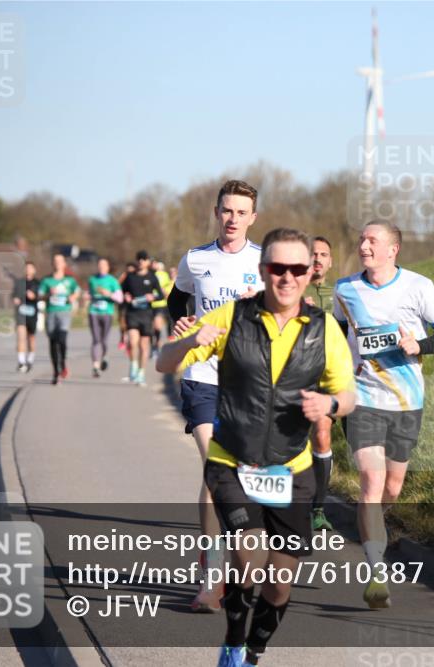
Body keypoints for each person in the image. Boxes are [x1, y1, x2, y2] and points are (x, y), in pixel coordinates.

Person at [157, 228, 356, 667]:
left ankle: (253, 652)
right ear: (263, 270)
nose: (287, 277)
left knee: (280, 582)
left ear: (309, 273)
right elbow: (164, 362)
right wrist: (189, 339)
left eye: (296, 269)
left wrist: (332, 403)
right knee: (248, 561)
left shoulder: (323, 330)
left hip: (291, 467)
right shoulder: (232, 317)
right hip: (232, 460)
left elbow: (349, 395)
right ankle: (231, 643)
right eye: (277, 268)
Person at [333, 221, 434, 609]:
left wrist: (416, 344)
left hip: (406, 401)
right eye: (362, 239)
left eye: (373, 240)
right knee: (371, 482)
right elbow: (335, 337)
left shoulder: (418, 287)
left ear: (393, 249)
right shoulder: (344, 289)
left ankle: (374, 528)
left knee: (392, 489)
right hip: (363, 398)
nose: (364, 245)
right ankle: (375, 571)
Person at [167, 179, 262, 612]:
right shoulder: (196, 258)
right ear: (217, 211)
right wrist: (183, 326)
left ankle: (237, 565)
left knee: (238, 474)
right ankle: (210, 579)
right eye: (227, 210)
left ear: (253, 218)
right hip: (202, 374)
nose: (233, 219)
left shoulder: (265, 264)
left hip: (247, 382)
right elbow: (176, 301)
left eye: (242, 213)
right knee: (213, 466)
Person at [303, 236, 336, 531]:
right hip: (293, 376)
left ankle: (318, 509)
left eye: (323, 254)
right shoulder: (290, 289)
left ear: (330, 261)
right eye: (313, 253)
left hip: (327, 378)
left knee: (322, 435)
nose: (317, 258)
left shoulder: (342, 295)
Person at [120, 250, 163, 387]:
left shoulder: (152, 277)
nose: (141, 262)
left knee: (144, 346)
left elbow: (161, 295)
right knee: (133, 342)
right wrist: (126, 296)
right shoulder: (130, 277)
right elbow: (121, 291)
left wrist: (153, 297)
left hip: (146, 314)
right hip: (132, 313)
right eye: (139, 259)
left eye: (143, 259)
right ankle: (133, 365)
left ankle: (141, 373)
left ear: (147, 262)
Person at [38, 253, 81, 385]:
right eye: (55, 261)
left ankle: (62, 362)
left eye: (60, 261)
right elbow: (39, 296)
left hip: (64, 312)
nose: (57, 263)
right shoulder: (46, 280)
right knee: (52, 342)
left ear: (64, 264)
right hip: (51, 312)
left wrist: (73, 297)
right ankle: (55, 372)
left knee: (62, 339)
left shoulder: (69, 280)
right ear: (52, 264)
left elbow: (77, 291)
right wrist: (48, 294)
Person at [87, 258, 123, 378]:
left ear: (108, 267)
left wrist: (108, 294)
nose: (101, 267)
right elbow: (88, 294)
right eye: (99, 265)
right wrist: (86, 297)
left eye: (104, 265)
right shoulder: (92, 279)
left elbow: (120, 298)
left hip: (107, 312)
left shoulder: (112, 281)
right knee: (96, 339)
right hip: (94, 312)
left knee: (104, 340)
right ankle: (95, 366)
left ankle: (104, 356)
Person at [12, 261, 40, 372]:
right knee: (21, 336)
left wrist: (34, 296)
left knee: (31, 338)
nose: (28, 270)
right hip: (21, 312)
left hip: (32, 313)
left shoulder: (38, 283)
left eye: (30, 268)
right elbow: (14, 294)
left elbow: (42, 295)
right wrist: (15, 299)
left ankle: (30, 359)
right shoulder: (19, 282)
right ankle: (21, 362)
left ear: (34, 270)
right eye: (26, 268)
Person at [151, 259, 173, 356]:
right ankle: (153, 345)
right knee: (150, 328)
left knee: (157, 325)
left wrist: (164, 291)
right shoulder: (148, 274)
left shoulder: (164, 275)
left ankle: (158, 343)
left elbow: (168, 288)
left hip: (160, 304)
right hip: (148, 305)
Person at [117, 261, 136, 352]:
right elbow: (117, 287)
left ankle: (129, 341)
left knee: (131, 325)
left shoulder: (136, 277)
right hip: (123, 304)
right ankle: (122, 338)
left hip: (133, 305)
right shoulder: (124, 277)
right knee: (122, 322)